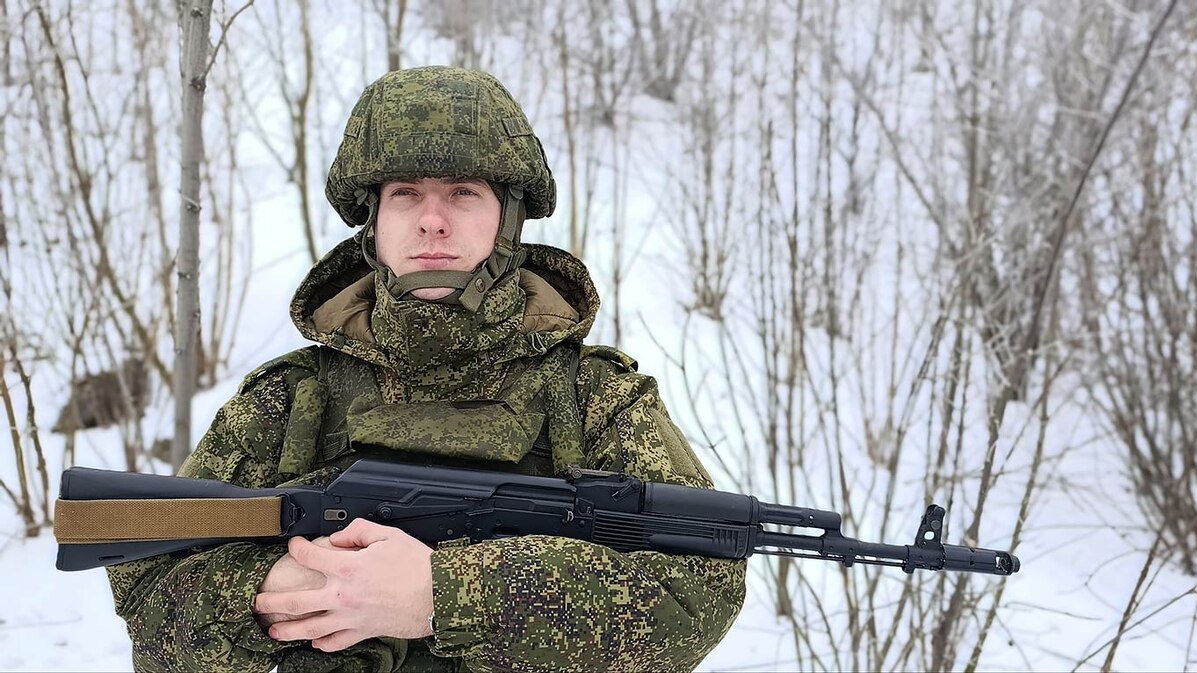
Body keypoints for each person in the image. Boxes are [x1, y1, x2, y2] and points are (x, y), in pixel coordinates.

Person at [106, 66, 746, 672]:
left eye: (463, 193)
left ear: (507, 219)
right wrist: (286, 587)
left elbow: (702, 586)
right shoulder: (289, 401)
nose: (432, 221)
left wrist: (446, 596)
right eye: (405, 194)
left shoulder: (598, 396)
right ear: (373, 222)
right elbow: (147, 590)